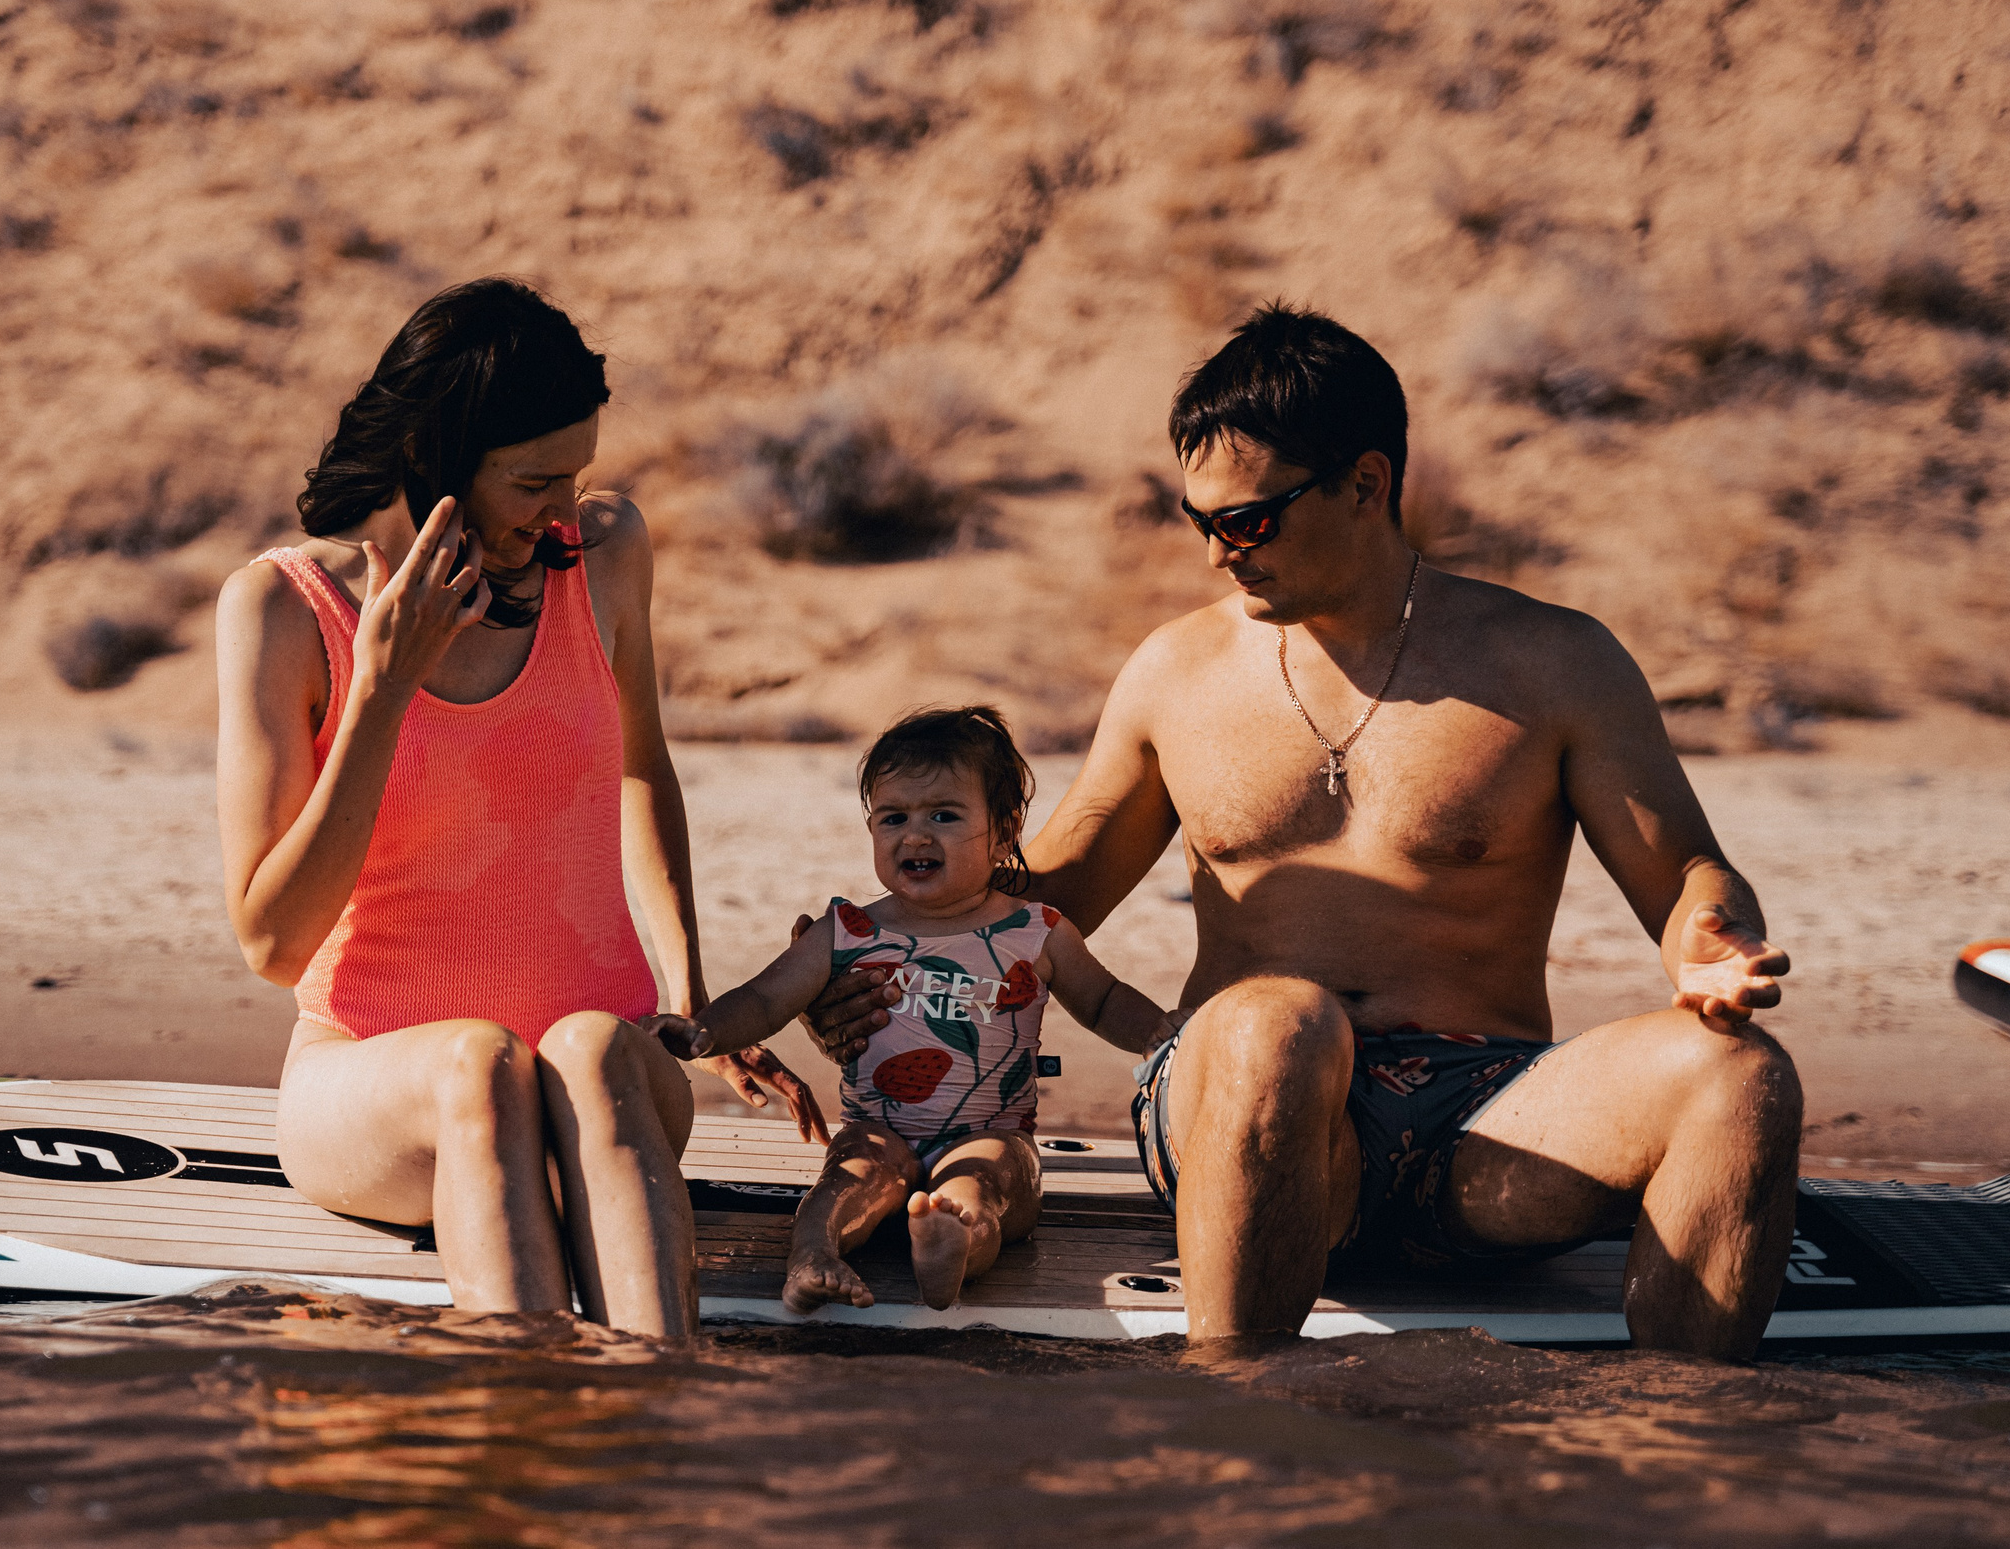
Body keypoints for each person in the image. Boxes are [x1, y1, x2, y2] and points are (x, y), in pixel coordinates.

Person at [803, 302, 1803, 1360]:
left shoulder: (1553, 664)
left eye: (1247, 521)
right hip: (1240, 1097)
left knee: (1740, 1074)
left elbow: (1688, 872)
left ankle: (1681, 1452)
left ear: (1365, 485)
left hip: (1481, 1125)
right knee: (1280, 1020)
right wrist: (869, 970)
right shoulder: (1173, 672)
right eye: (1200, 523)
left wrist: (1710, 932)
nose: (1216, 556)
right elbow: (1030, 896)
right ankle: (1241, 1435)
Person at [215, 278, 822, 1340]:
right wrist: (384, 687)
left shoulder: (605, 551)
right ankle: (524, 1428)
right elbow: (271, 939)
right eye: (532, 481)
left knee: (586, 1044)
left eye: (574, 477)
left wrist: (687, 992)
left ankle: (651, 1409)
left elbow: (643, 768)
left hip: (609, 1084)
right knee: (480, 1061)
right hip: (375, 1085)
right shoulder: (284, 610)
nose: (557, 515)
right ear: (434, 460)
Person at [651, 707, 1163, 1314]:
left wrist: (1164, 1034)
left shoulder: (1037, 932)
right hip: (879, 1130)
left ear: (1004, 832)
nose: (915, 835)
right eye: (894, 818)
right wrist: (703, 1031)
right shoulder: (847, 931)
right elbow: (765, 999)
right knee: (847, 1180)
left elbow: (1104, 1001)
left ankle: (951, 1247)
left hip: (992, 1133)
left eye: (944, 816)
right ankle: (813, 1254)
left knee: (988, 1183)